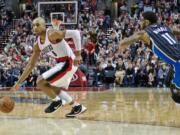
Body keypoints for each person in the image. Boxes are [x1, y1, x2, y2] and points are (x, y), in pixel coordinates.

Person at [11, 17, 87, 117]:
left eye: (37, 25)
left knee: (40, 81)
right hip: (61, 63)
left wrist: (78, 54)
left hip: (69, 61)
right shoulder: (37, 45)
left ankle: (56, 101)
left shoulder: (51, 34)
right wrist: (19, 82)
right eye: (33, 25)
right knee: (52, 87)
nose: (34, 27)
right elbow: (31, 65)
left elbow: (76, 33)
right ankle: (77, 107)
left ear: (44, 26)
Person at [119, 11, 180, 104]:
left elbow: (123, 43)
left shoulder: (144, 33)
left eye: (141, 20)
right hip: (175, 62)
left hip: (178, 63)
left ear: (147, 22)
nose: (139, 22)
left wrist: (120, 38)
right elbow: (177, 31)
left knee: (177, 95)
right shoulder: (166, 27)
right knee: (168, 82)